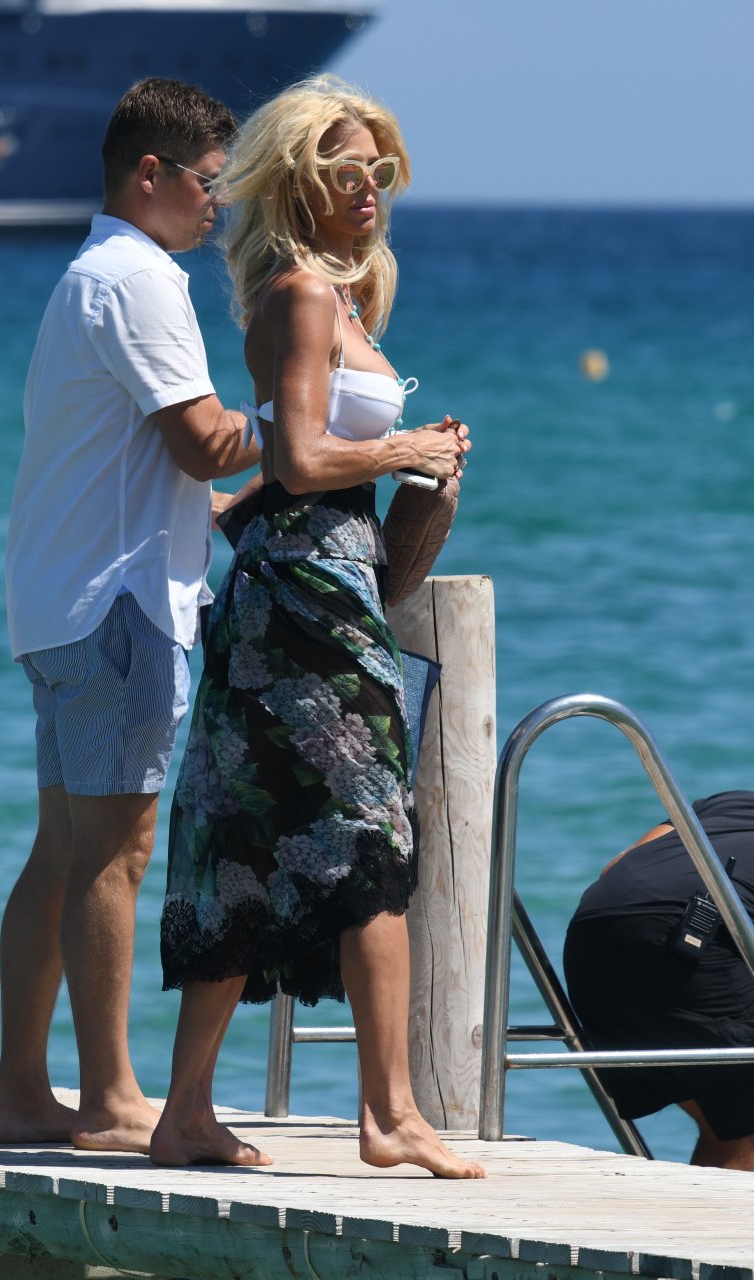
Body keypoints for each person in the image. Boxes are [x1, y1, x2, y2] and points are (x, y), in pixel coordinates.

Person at [149, 76, 484, 1178]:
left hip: (312, 589)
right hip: (304, 604)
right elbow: (298, 458)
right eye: (347, 169)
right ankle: (389, 1113)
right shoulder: (299, 294)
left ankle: (184, 1113)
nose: (368, 186)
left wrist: (425, 476)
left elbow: (310, 489)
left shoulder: (343, 303)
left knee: (248, 840)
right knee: (372, 840)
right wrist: (401, 449)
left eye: (380, 169)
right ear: (300, 180)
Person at [0, 77, 260, 1154]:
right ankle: (110, 1098)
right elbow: (203, 440)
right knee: (116, 852)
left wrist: (223, 499)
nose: (217, 205)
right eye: (207, 183)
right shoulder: (141, 279)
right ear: (151, 173)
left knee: (62, 848)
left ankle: (20, 1094)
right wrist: (312, 413)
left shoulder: (85, 276)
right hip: (119, 608)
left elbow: (142, 464)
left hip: (60, 599)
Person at [563, 789, 754, 1171]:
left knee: (728, 1121)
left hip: (594, 933)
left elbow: (615, 866)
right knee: (744, 1102)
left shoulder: (732, 802)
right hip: (692, 937)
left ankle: (714, 1210)